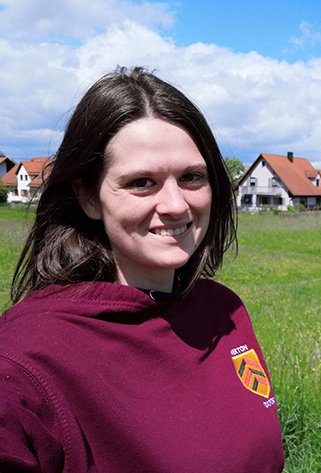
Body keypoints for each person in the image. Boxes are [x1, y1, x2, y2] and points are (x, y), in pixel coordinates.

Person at [0, 67, 284, 472]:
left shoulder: (224, 312)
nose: (175, 205)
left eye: (191, 177)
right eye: (141, 182)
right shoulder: (24, 360)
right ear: (88, 198)